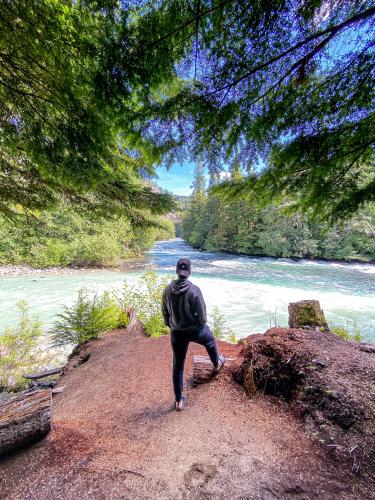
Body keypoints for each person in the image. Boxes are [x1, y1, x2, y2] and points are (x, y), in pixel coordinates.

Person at [162, 257, 225, 411]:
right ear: (189, 272)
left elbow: (165, 312)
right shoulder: (195, 290)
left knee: (178, 365)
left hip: (177, 333)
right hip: (195, 330)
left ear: (177, 271)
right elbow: (203, 318)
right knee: (209, 340)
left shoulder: (167, 290)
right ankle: (216, 363)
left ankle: (178, 401)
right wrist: (198, 324)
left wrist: (170, 324)